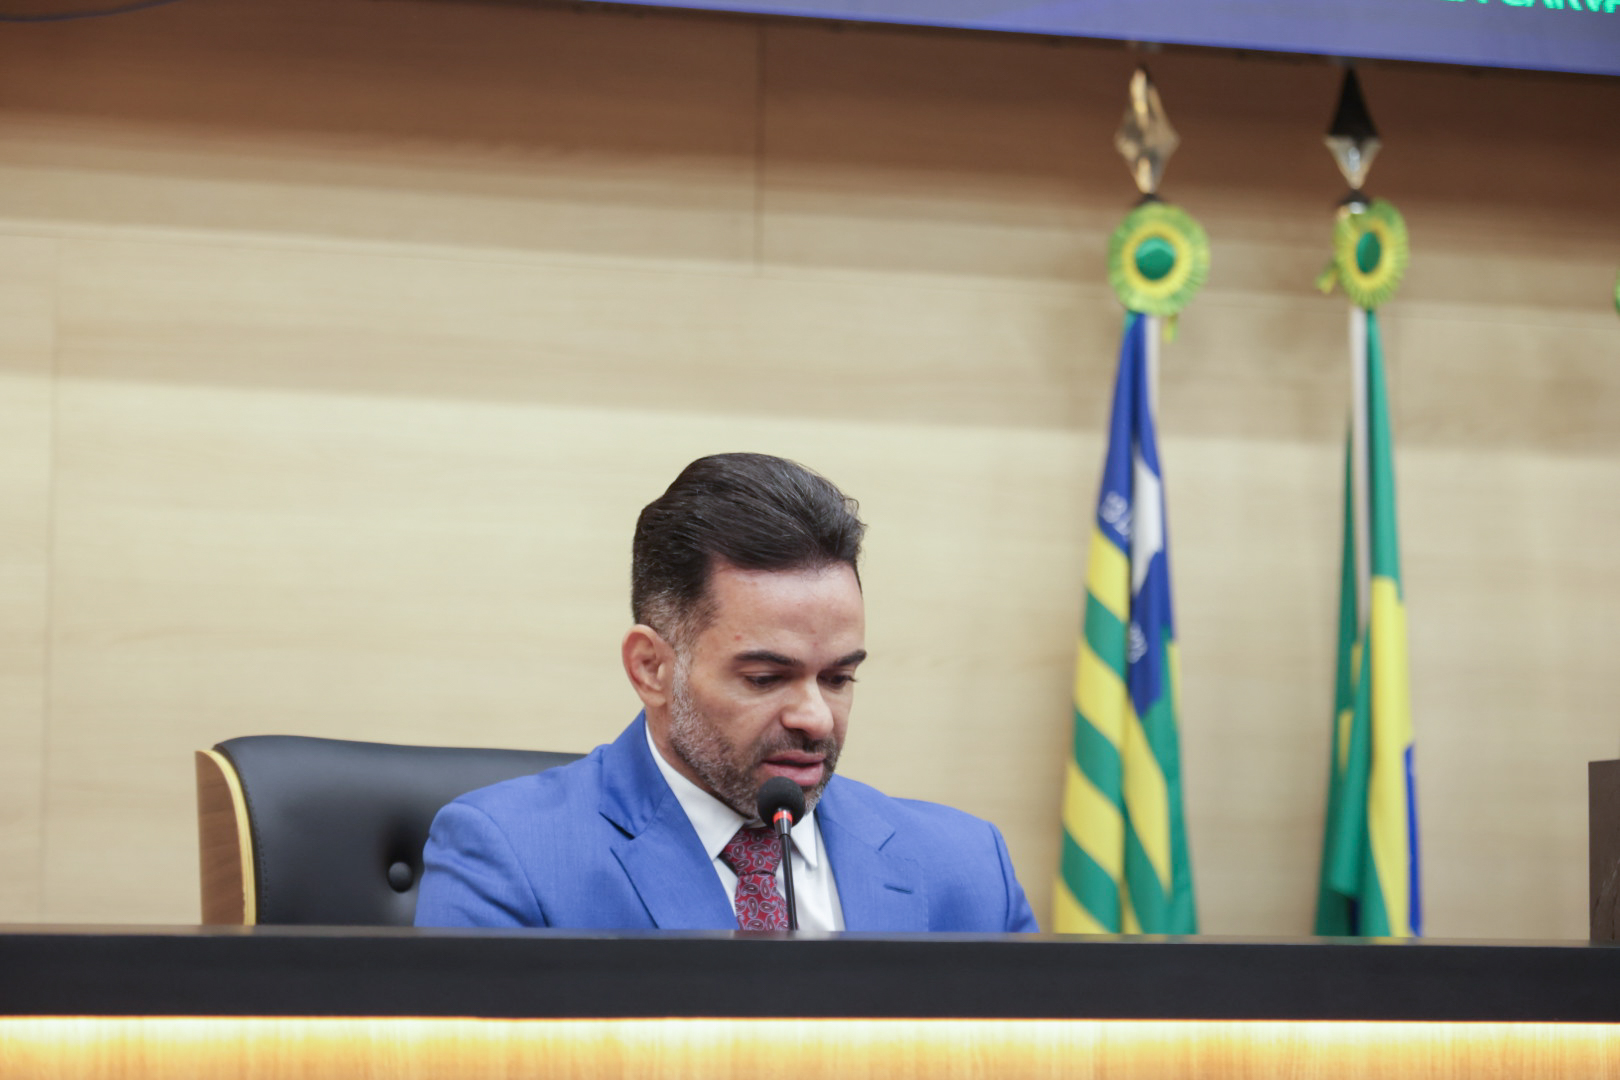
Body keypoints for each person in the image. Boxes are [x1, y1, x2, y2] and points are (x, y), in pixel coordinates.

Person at [415, 452, 1038, 932]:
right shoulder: (510, 857)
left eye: (838, 678)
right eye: (765, 679)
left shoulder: (968, 869)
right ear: (651, 668)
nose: (816, 718)